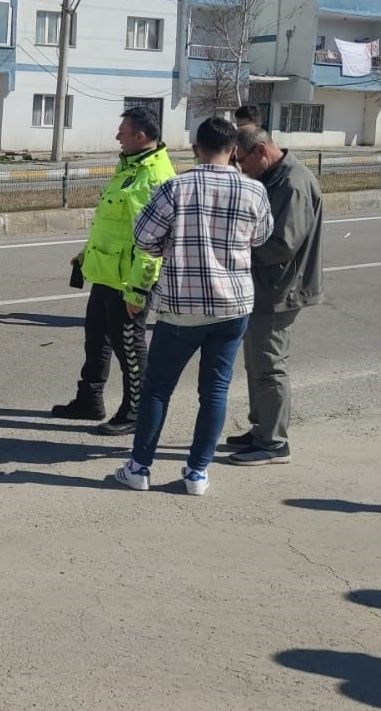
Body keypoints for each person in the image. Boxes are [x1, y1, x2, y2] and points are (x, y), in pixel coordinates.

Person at [114, 117, 273, 496]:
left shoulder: (176, 187)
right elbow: (261, 237)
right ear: (234, 150)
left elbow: (143, 236)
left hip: (182, 306)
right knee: (215, 391)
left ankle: (139, 468)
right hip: (233, 307)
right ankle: (197, 473)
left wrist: (169, 246)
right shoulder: (253, 190)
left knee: (157, 389)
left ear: (196, 149)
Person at [51, 106, 177, 436]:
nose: (117, 135)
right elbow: (114, 224)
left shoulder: (153, 177)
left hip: (128, 281)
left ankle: (137, 411)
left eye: (123, 130)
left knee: (129, 349)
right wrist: (86, 255)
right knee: (96, 341)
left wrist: (138, 291)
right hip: (106, 273)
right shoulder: (129, 167)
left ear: (141, 136)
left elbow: (153, 241)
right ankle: (89, 400)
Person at [225, 127, 324, 465]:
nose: (242, 168)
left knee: (270, 366)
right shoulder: (275, 178)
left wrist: (237, 243)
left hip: (281, 289)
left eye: (243, 161)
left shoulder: (293, 185)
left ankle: (274, 443)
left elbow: (281, 245)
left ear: (262, 150)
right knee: (257, 363)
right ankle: (261, 429)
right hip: (265, 287)